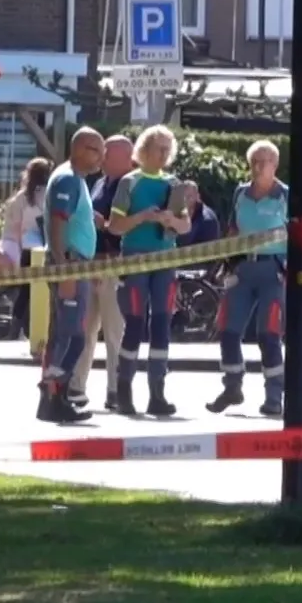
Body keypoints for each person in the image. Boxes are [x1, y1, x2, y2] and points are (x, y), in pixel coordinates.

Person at [106, 125, 189, 416]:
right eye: (159, 148)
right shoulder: (130, 182)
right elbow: (114, 226)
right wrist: (142, 217)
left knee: (162, 324)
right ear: (145, 150)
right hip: (136, 259)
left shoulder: (174, 184)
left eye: (168, 149)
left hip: (166, 261)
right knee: (135, 323)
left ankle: (157, 393)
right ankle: (124, 390)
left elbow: (185, 226)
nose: (164, 154)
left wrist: (171, 221)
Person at [206, 140, 290, 416]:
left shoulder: (285, 196)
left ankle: (274, 395)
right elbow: (233, 228)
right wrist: (222, 261)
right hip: (242, 271)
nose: (258, 166)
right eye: (254, 161)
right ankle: (232, 386)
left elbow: (299, 236)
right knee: (228, 331)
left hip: (272, 272)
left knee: (268, 334)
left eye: (264, 161)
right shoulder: (241, 192)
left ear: (275, 165)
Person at [37, 129, 104, 424]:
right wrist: (64, 267)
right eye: (94, 150)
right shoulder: (67, 178)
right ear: (78, 148)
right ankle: (55, 396)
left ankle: (52, 400)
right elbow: (57, 222)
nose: (99, 157)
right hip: (71, 266)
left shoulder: (76, 180)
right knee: (71, 337)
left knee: (66, 336)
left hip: (78, 265)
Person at [71, 135, 133, 411]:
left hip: (117, 265)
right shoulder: (98, 183)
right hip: (92, 262)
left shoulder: (133, 185)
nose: (103, 155)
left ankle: (116, 391)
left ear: (127, 157)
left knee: (113, 332)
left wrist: (105, 224)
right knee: (85, 329)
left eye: (109, 152)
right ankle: (76, 387)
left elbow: (129, 227)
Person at [0, 158, 52, 352]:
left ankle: (16, 327)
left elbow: (13, 226)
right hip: (44, 245)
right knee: (43, 289)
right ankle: (37, 328)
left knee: (24, 290)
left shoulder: (22, 197)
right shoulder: (49, 193)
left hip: (27, 247)